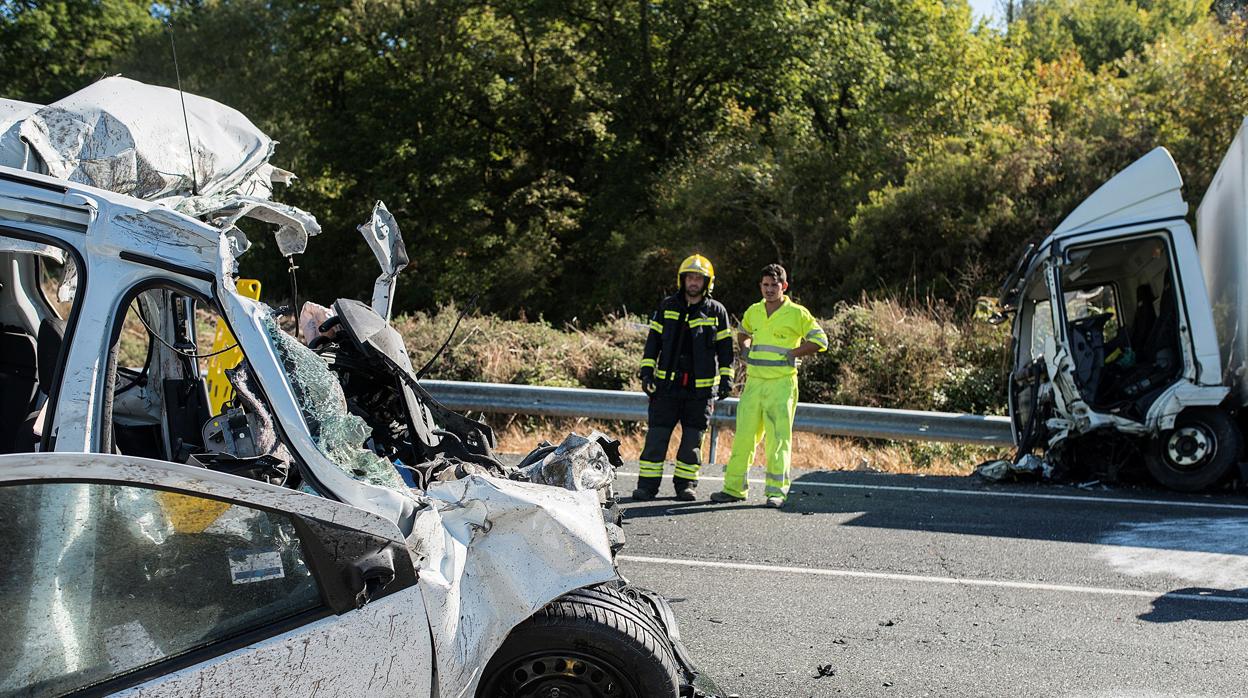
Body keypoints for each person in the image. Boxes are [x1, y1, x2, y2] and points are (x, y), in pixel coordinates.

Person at [710, 264, 827, 508]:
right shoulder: (754, 310)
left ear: (784, 286)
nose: (770, 289)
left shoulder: (797, 313)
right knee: (743, 438)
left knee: (778, 440)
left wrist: (793, 352)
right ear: (760, 286)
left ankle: (777, 492)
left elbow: (820, 340)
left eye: (775, 285)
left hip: (781, 385)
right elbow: (743, 332)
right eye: (766, 285)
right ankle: (733, 489)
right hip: (754, 383)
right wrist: (744, 347)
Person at [634, 254, 734, 501]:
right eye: (690, 277)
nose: (693, 282)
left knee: (692, 443)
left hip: (699, 393)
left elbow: (726, 350)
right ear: (682, 279)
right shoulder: (667, 306)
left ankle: (685, 486)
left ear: (706, 282)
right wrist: (647, 372)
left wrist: (726, 379)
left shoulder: (716, 311)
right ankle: (646, 487)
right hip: (666, 388)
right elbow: (653, 343)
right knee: (656, 439)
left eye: (698, 278)